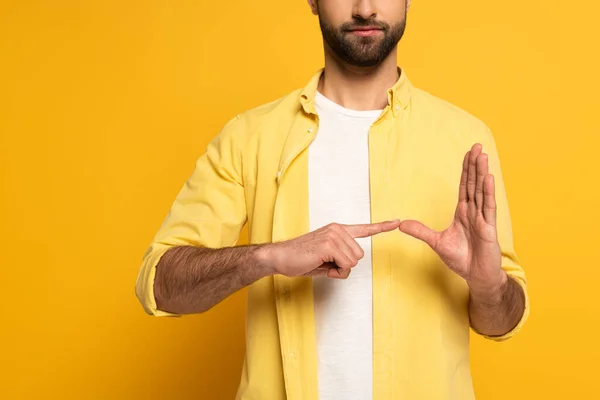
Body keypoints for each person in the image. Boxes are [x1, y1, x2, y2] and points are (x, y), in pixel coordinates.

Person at [135, 0, 529, 398]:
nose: (365, 8)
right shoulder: (248, 138)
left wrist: (488, 284)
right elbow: (160, 285)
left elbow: (501, 321)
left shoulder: (464, 139)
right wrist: (269, 256)